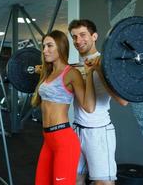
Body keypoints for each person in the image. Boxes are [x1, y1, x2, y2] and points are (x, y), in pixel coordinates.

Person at [31, 30, 97, 185]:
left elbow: (89, 106)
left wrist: (89, 75)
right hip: (48, 139)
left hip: (63, 140)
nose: (44, 50)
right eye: (44, 46)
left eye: (49, 46)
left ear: (60, 47)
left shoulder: (71, 73)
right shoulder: (47, 72)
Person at [68, 19, 128, 185]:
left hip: (99, 132)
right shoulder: (76, 67)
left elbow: (123, 101)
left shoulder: (107, 63)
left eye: (82, 35)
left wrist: (98, 71)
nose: (78, 41)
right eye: (74, 37)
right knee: (74, 179)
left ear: (94, 36)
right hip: (77, 129)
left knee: (103, 183)